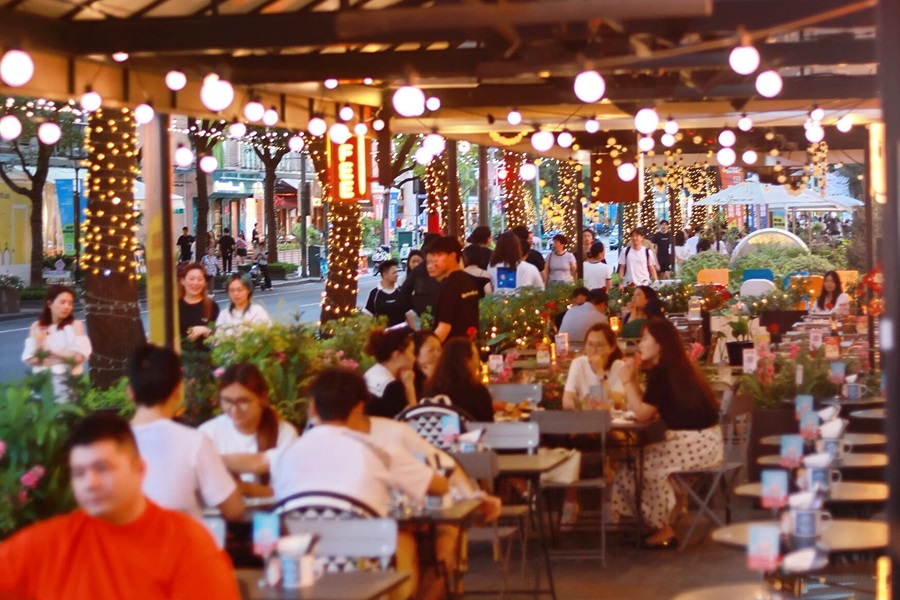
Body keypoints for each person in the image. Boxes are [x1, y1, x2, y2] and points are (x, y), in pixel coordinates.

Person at [0, 412, 241, 600]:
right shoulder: (50, 544)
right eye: (79, 473)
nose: (90, 483)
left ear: (139, 469)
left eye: (102, 468)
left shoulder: (187, 544)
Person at [273, 368, 449, 600]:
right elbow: (440, 487)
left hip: (297, 576)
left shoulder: (286, 455)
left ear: (313, 408)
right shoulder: (381, 452)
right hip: (363, 573)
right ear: (359, 408)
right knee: (408, 544)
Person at [612, 318, 723, 548]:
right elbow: (650, 406)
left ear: (660, 343)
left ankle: (662, 528)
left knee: (637, 466)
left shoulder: (662, 372)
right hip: (706, 441)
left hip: (696, 445)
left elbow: (642, 414)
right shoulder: (676, 367)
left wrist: (626, 382)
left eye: (645, 338)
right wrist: (634, 382)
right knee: (638, 461)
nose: (640, 344)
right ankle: (657, 521)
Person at [128, 345, 245, 523]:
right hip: (181, 540)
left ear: (130, 392)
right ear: (177, 390)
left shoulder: (108, 445)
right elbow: (234, 509)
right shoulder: (194, 442)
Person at [200, 362, 299, 497]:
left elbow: (291, 492)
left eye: (243, 401)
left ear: (262, 398)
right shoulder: (208, 433)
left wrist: (246, 489)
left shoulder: (285, 434)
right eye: (227, 401)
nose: (234, 409)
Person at [22, 285, 92, 401]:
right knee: (40, 411)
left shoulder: (75, 325)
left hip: (67, 382)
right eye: (62, 302)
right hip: (41, 381)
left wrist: (51, 352)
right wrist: (66, 358)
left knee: (65, 411)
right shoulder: (37, 326)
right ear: (50, 303)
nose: (67, 307)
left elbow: (78, 358)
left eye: (70, 303)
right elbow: (31, 359)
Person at [424, 337, 494, 422]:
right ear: (467, 361)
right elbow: (488, 424)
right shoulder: (477, 391)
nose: (478, 361)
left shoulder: (430, 389)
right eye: (476, 356)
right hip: (471, 431)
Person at [428, 236, 481, 343]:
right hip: (468, 345)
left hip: (451, 348)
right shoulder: (469, 281)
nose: (435, 260)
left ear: (452, 256)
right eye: (434, 255)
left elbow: (444, 328)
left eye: (439, 255)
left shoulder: (449, 286)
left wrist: (428, 348)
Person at [562, 323, 626, 410]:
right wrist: (586, 405)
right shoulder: (578, 364)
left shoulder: (619, 367)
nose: (593, 350)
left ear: (612, 348)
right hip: (585, 416)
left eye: (599, 345)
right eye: (590, 344)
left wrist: (600, 372)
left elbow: (616, 401)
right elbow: (566, 401)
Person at [363, 327, 418, 418]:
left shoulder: (369, 374)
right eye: (411, 352)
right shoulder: (392, 387)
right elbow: (413, 421)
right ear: (397, 355)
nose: (414, 358)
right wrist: (410, 386)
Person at [400, 233, 442, 328]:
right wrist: (417, 305)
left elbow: (404, 291)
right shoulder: (420, 269)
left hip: (429, 314)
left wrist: (417, 305)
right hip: (430, 315)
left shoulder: (419, 269)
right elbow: (405, 291)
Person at [487, 230, 544, 294]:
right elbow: (540, 290)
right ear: (518, 247)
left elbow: (490, 289)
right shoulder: (529, 268)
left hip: (498, 300)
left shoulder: (491, 267)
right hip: (524, 300)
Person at [178, 262, 219, 350]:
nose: (195, 283)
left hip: (206, 356)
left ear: (204, 282)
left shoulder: (212, 306)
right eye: (191, 279)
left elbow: (220, 337)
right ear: (183, 281)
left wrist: (206, 330)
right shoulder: (174, 307)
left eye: (200, 279)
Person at [362, 259, 408, 327]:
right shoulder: (374, 293)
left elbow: (409, 314)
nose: (397, 275)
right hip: (382, 332)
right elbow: (367, 316)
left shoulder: (401, 291)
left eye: (397, 272)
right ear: (385, 274)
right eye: (394, 273)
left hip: (401, 332)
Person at [411, 330, 442, 398]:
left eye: (439, 350)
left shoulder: (443, 377)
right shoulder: (409, 379)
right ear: (415, 353)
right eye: (431, 350)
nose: (438, 354)